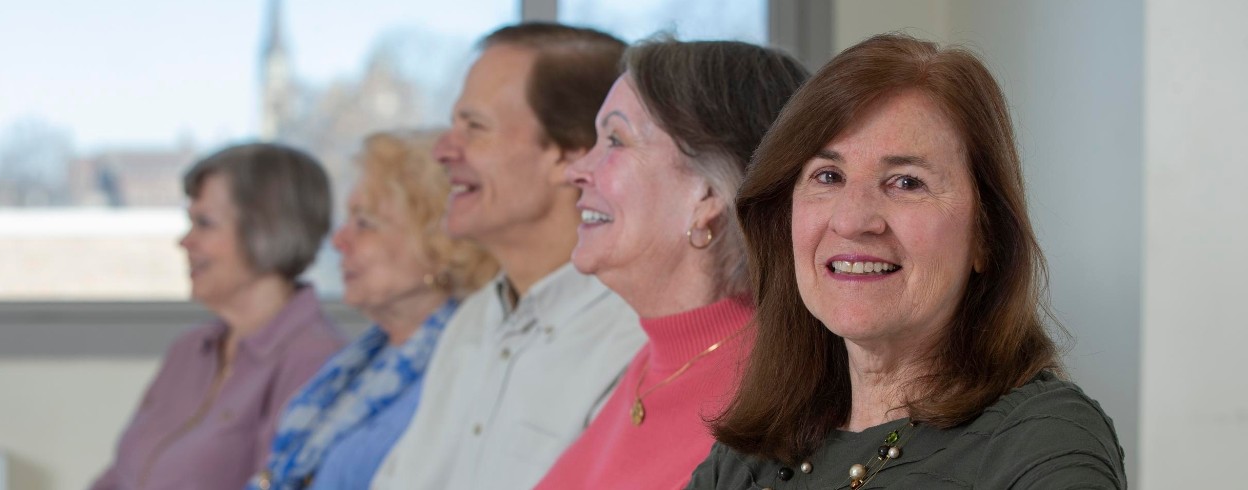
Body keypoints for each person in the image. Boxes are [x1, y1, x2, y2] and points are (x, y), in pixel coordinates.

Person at [687, 34, 1126, 489]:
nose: (853, 219)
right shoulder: (747, 457)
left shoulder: (1044, 442)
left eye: (906, 183)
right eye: (828, 176)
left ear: (986, 235)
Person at [369, 23, 645, 490]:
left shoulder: (634, 339)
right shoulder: (471, 325)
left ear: (571, 155)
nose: (441, 151)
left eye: (474, 127)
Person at [535, 40, 808, 489]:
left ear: (707, 196)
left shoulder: (772, 396)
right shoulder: (654, 357)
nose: (575, 170)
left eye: (615, 140)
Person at [248, 133, 497, 489]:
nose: (339, 241)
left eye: (364, 223)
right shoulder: (363, 361)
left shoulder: (465, 363)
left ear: (439, 244)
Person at [92, 143, 345, 490]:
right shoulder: (190, 350)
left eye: (204, 224)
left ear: (266, 229)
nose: (184, 242)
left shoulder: (315, 361)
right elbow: (118, 478)